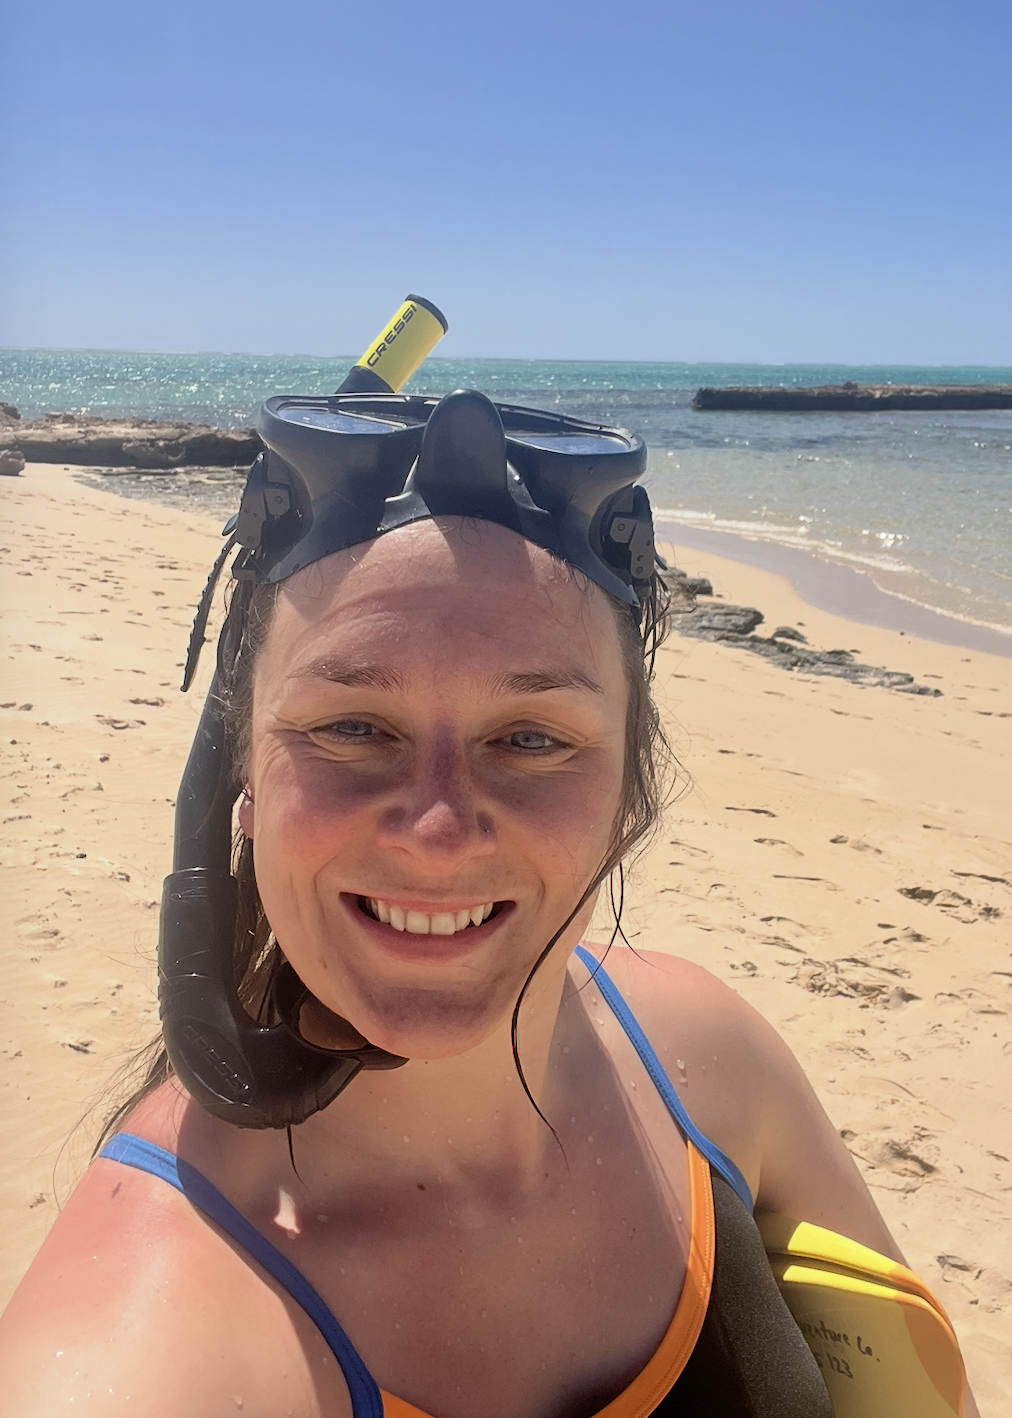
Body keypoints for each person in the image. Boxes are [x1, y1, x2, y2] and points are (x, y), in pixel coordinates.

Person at [0, 389, 976, 1417]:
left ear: (625, 795)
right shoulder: (148, 1357)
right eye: (351, 727)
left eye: (529, 738)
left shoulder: (711, 1058)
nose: (436, 829)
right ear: (240, 785)